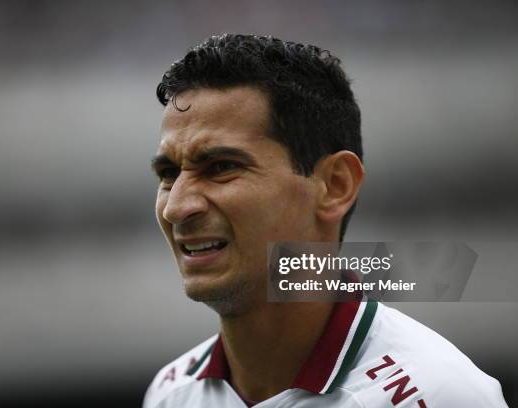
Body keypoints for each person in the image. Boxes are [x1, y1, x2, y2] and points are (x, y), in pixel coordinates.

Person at [143, 34, 508, 407]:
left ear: (335, 185)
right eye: (169, 173)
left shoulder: (439, 394)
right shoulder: (168, 394)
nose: (176, 207)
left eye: (221, 167)